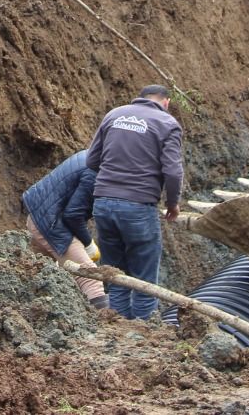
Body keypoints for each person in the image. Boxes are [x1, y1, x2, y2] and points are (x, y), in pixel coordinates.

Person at [86, 84, 183, 320]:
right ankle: (144, 329)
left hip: (103, 204)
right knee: (144, 277)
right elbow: (173, 171)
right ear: (166, 102)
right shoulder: (167, 124)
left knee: (116, 273)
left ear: (140, 99)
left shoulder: (114, 115)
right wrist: (173, 203)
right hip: (138, 206)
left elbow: (91, 159)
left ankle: (119, 325)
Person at [22, 151, 107, 309]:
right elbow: (73, 215)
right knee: (90, 277)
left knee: (36, 274)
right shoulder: (96, 173)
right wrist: (88, 245)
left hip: (41, 216)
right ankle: (105, 326)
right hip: (50, 223)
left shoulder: (93, 156)